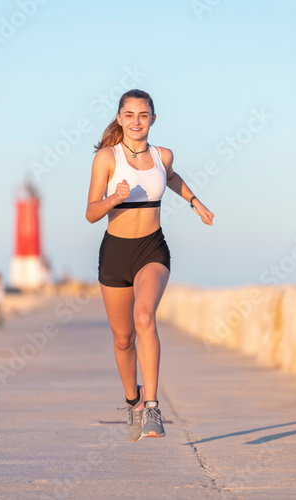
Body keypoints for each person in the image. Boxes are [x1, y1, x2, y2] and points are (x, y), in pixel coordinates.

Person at [85, 89, 214, 441]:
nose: (136, 121)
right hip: (114, 252)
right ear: (119, 118)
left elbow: (169, 177)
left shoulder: (162, 155)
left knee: (145, 317)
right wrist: (114, 197)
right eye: (129, 115)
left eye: (143, 115)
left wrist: (196, 203)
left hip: (152, 249)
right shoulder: (107, 159)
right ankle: (133, 401)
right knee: (123, 339)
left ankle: (153, 407)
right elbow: (91, 213)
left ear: (153, 119)